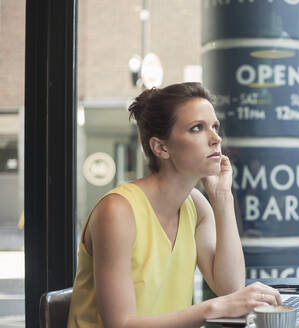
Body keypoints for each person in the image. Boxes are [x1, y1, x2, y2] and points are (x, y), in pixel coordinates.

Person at [67, 82, 281, 328]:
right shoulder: (117, 211)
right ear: (161, 147)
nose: (216, 139)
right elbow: (120, 324)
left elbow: (230, 287)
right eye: (197, 128)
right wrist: (211, 308)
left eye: (215, 127)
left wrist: (222, 197)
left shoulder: (197, 207)